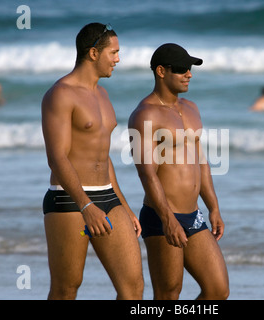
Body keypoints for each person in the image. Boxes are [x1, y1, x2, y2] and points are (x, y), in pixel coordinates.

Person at [41, 23, 143, 300]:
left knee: (133, 289)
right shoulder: (61, 94)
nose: (118, 59)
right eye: (114, 52)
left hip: (108, 196)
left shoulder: (103, 94)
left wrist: (122, 204)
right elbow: (57, 157)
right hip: (70, 200)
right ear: (94, 53)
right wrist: (86, 205)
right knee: (67, 288)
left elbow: (102, 154)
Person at [128, 43, 229, 300]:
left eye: (190, 69)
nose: (189, 74)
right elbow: (147, 174)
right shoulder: (145, 114)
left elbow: (201, 162)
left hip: (194, 215)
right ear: (161, 71)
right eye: (182, 69)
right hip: (162, 216)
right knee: (168, 294)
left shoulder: (191, 108)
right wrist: (167, 219)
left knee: (218, 290)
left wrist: (213, 206)